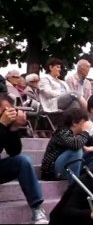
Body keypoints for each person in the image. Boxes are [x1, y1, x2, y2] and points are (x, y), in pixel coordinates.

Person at [0, 94, 48, 223]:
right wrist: (2, 124)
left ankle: (37, 209)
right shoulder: (2, 124)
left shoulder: (4, 125)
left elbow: (14, 152)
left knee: (23, 161)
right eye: (4, 110)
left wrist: (13, 128)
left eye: (9, 110)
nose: (8, 114)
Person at [41, 108, 93, 184]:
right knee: (76, 151)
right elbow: (75, 145)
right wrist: (86, 131)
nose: (86, 125)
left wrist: (92, 148)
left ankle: (87, 181)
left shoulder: (81, 135)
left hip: (68, 167)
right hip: (52, 171)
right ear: (74, 122)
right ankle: (74, 185)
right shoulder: (62, 132)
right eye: (83, 122)